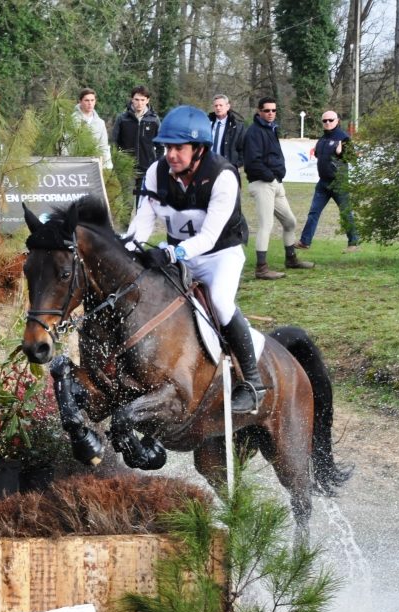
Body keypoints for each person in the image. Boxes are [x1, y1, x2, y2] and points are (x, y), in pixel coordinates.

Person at [124, 105, 264, 414]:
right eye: (167, 147)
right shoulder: (156, 172)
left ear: (199, 148)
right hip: (178, 253)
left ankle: (253, 383)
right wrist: (128, 244)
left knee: (221, 302)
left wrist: (173, 253)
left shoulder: (223, 176)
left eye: (178, 148)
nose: (171, 154)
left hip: (220, 255)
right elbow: (143, 221)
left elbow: (209, 237)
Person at [242, 97, 312, 280]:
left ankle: (291, 259)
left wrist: (276, 178)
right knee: (266, 225)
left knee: (290, 222)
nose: (271, 113)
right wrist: (269, 176)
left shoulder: (271, 129)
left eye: (273, 110)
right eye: (267, 110)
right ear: (259, 111)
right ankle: (261, 268)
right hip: (263, 183)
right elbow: (252, 162)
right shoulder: (254, 132)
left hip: (275, 183)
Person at [298, 110, 359, 252]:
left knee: (345, 213)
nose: (327, 123)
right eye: (324, 121)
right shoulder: (322, 139)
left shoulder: (344, 138)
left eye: (330, 120)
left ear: (337, 120)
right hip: (323, 183)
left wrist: (341, 152)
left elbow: (352, 159)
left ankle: (353, 244)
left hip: (339, 183)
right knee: (313, 212)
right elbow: (319, 156)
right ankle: (305, 242)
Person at [111, 85, 163, 199]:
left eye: (142, 100)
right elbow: (114, 143)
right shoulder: (122, 119)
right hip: (127, 169)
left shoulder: (154, 120)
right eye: (137, 99)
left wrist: (156, 165)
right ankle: (125, 218)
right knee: (127, 203)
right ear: (132, 99)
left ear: (147, 100)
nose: (139, 103)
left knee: (142, 204)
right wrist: (117, 163)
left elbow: (161, 146)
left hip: (146, 169)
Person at [71, 88, 112, 169]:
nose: (90, 103)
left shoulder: (100, 123)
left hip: (94, 165)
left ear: (95, 101)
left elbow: (103, 146)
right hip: (75, 164)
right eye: (86, 100)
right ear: (80, 101)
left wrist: (107, 167)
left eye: (92, 100)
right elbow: (66, 145)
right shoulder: (72, 120)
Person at [208, 94, 245, 168]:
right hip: (208, 166)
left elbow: (244, 150)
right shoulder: (206, 123)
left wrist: (235, 165)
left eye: (221, 105)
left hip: (227, 168)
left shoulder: (237, 126)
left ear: (227, 107)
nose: (218, 108)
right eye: (216, 106)